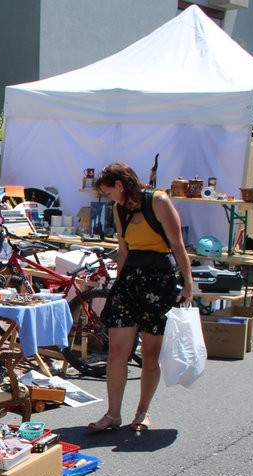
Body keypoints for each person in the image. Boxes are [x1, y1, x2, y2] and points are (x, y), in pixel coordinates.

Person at [88, 162, 194, 433]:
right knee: (117, 351)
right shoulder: (119, 208)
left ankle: (143, 411)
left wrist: (188, 282)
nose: (108, 197)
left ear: (120, 186)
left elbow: (177, 243)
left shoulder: (158, 201)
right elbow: (123, 248)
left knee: (150, 352)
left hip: (159, 278)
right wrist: (118, 282)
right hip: (131, 279)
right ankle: (112, 414)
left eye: (109, 192)